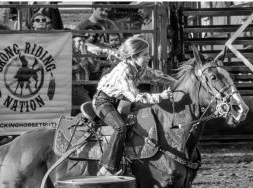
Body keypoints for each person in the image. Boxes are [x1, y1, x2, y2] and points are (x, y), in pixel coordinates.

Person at [94, 37, 176, 176]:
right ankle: (107, 167)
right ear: (134, 56)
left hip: (119, 102)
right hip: (103, 102)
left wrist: (178, 84)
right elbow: (135, 97)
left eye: (148, 54)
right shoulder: (124, 71)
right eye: (145, 54)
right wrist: (160, 96)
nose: (149, 57)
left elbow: (156, 76)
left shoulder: (139, 68)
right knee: (120, 128)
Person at [71, 33, 94, 116]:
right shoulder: (69, 53)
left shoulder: (86, 52)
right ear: (72, 42)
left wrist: (87, 57)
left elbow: (93, 69)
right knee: (89, 107)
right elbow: (67, 69)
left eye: (83, 41)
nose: (82, 43)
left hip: (83, 85)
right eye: (79, 41)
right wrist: (81, 64)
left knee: (76, 110)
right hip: (74, 86)